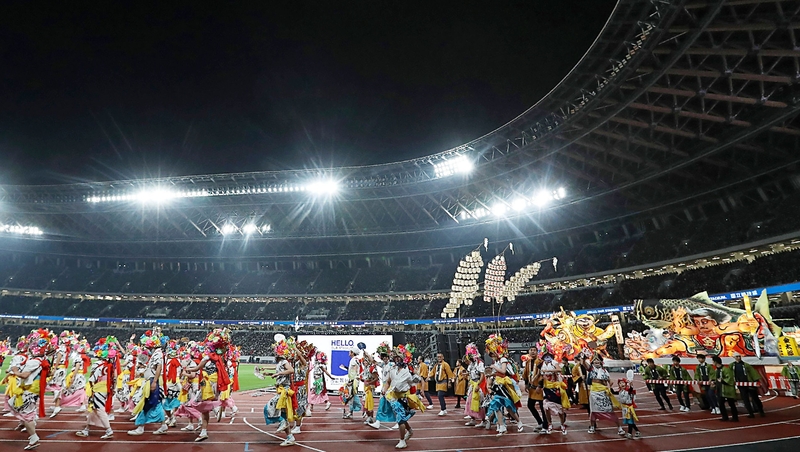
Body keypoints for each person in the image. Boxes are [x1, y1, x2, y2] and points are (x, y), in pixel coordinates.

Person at [7, 329, 55, 450]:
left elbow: (24, 375)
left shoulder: (34, 361)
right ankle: (32, 424)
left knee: (25, 415)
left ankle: (34, 437)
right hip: (33, 389)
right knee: (14, 404)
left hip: (29, 389)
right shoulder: (42, 360)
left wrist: (14, 369)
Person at [186, 328, 231, 443]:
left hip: (207, 383)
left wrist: (186, 369)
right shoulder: (219, 358)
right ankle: (203, 431)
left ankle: (216, 409)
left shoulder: (207, 357)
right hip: (215, 382)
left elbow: (196, 368)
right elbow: (225, 349)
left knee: (196, 402)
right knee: (205, 407)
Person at [76, 336, 119, 440]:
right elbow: (115, 377)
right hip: (105, 388)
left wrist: (90, 390)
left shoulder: (98, 364)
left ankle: (109, 430)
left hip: (98, 388)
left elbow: (92, 378)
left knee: (99, 409)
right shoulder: (110, 364)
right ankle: (86, 429)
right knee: (93, 408)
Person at [128, 329, 168, 436]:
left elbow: (158, 367)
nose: (146, 348)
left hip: (151, 381)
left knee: (148, 403)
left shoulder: (157, 354)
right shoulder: (155, 353)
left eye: (148, 346)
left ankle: (141, 427)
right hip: (149, 380)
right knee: (152, 403)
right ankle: (161, 425)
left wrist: (154, 382)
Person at [384, 344, 424, 449]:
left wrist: (420, 389)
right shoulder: (392, 369)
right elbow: (388, 381)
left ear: (404, 358)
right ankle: (410, 431)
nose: (397, 359)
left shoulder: (409, 371)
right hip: (393, 397)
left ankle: (402, 440)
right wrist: (384, 389)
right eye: (395, 357)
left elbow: (419, 380)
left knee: (400, 419)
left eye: (399, 357)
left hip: (403, 398)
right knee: (400, 417)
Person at [587, 357, 624, 436]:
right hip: (594, 393)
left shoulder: (605, 371)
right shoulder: (591, 370)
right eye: (594, 360)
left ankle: (619, 428)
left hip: (604, 392)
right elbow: (584, 364)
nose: (596, 361)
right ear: (592, 362)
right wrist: (583, 358)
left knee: (610, 410)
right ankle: (592, 427)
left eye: (598, 360)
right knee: (593, 411)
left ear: (601, 362)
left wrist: (610, 385)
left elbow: (609, 381)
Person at [540, 352, 569, 435]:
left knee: (559, 408)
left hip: (555, 387)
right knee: (546, 407)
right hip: (546, 388)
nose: (547, 358)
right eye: (545, 356)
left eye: (548, 356)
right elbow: (541, 375)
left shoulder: (554, 362)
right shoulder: (542, 364)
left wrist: (549, 370)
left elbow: (559, 369)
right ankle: (550, 424)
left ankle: (562, 424)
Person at [730, 352, 764, 418]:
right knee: (745, 399)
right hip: (741, 385)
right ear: (734, 357)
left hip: (749, 384)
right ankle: (750, 413)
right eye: (736, 356)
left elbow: (753, 372)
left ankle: (761, 411)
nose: (738, 358)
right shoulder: (732, 365)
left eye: (739, 356)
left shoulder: (746, 365)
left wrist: (756, 381)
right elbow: (730, 374)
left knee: (755, 398)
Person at [462, 345, 487, 428]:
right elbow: (470, 373)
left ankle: (484, 420)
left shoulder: (480, 363)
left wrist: (479, 385)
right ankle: (472, 419)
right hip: (472, 384)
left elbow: (482, 375)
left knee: (479, 402)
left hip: (477, 384)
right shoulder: (472, 364)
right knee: (469, 401)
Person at [521, 348, 545, 432]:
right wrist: (526, 384)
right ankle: (540, 422)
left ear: (537, 352)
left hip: (540, 388)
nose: (532, 351)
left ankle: (545, 425)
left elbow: (543, 374)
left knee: (543, 407)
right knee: (530, 405)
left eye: (534, 350)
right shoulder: (528, 362)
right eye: (531, 350)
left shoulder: (541, 362)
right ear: (528, 352)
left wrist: (540, 385)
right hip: (532, 388)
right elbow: (525, 374)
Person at [713, 355, 738, 422]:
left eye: (713, 361)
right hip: (720, 389)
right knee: (720, 404)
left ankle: (735, 417)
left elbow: (730, 378)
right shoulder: (716, 370)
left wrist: (722, 381)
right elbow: (716, 379)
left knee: (731, 404)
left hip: (727, 390)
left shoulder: (726, 369)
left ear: (715, 362)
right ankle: (725, 416)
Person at [360, 351, 381, 426]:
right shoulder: (365, 368)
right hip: (365, 387)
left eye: (366, 361)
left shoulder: (372, 368)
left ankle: (371, 417)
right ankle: (369, 416)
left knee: (369, 402)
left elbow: (376, 377)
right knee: (365, 401)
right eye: (364, 361)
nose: (365, 363)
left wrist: (369, 382)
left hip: (370, 387)